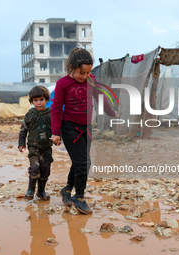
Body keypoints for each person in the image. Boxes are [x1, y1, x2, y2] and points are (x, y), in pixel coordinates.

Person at [51, 48, 118, 214]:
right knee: (84, 162)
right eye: (81, 72)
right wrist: (55, 132)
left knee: (80, 161)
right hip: (69, 128)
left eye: (88, 72)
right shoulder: (63, 84)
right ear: (72, 67)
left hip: (85, 127)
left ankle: (67, 190)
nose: (85, 76)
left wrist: (111, 113)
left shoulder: (91, 80)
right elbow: (56, 109)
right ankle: (79, 196)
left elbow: (100, 97)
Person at [18, 86, 53, 200]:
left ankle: (41, 192)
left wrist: (58, 139)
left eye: (41, 100)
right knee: (34, 168)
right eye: (36, 100)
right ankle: (30, 189)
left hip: (47, 147)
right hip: (33, 146)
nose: (39, 103)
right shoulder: (29, 114)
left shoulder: (51, 114)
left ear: (47, 100)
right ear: (32, 101)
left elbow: (57, 129)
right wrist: (21, 143)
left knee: (45, 169)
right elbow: (23, 129)